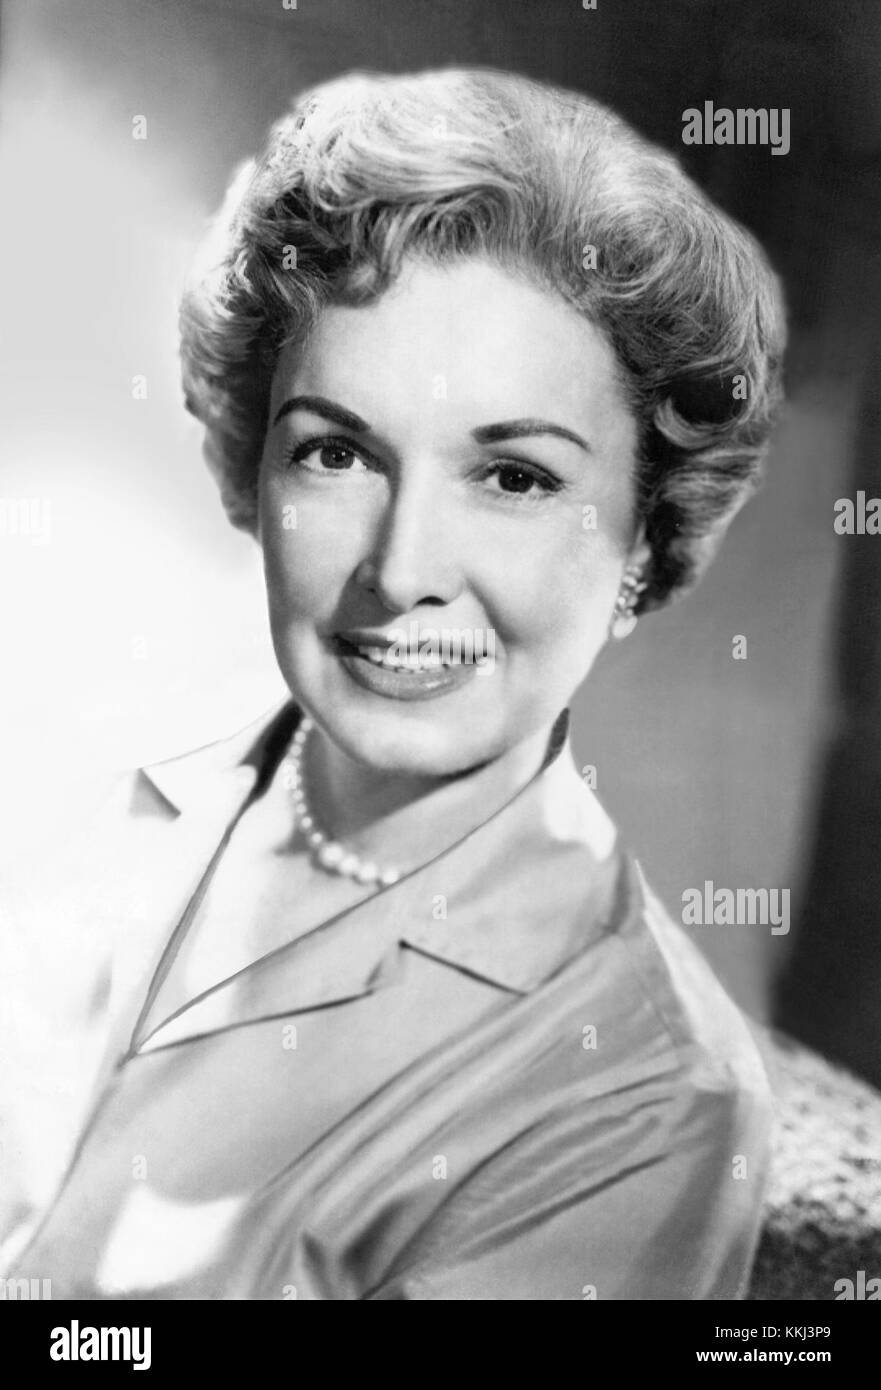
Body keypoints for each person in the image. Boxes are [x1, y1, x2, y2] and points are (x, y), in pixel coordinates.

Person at [0, 66, 786, 1299]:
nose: (401, 569)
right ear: (253, 467)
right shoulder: (93, 787)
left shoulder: (640, 1095)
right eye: (336, 452)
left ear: (642, 539)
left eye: (514, 477)